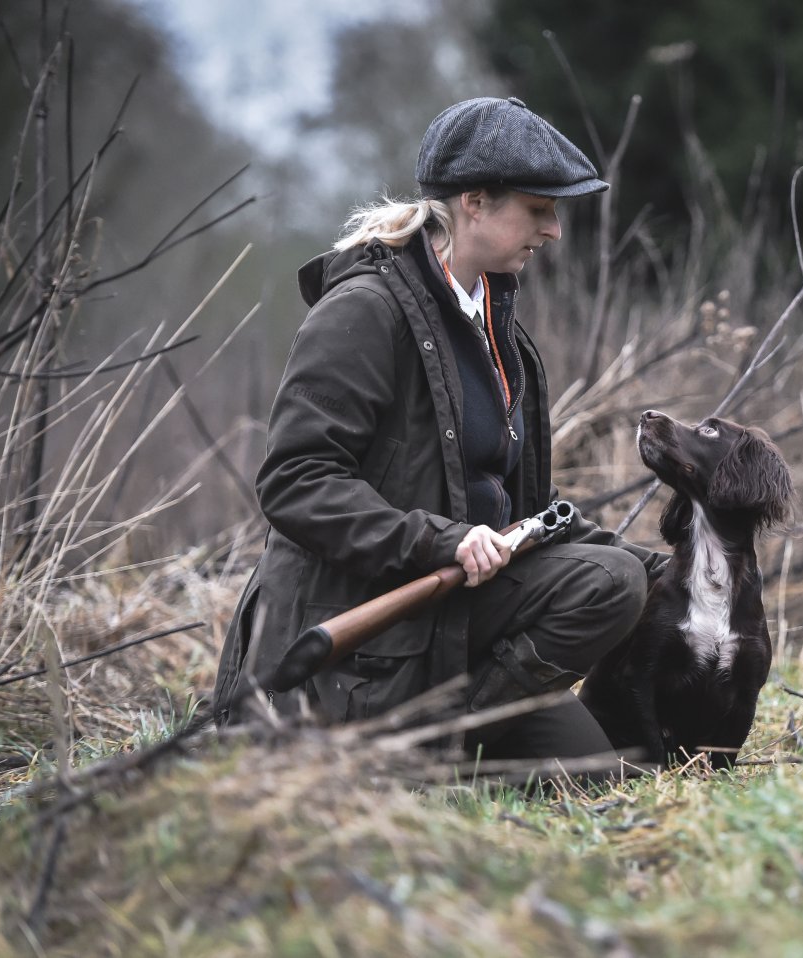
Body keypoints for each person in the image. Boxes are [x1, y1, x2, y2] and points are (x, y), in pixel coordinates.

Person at [213, 96, 664, 765]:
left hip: (450, 630)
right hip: (360, 641)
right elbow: (295, 484)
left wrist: (674, 571)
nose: (555, 230)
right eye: (540, 209)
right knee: (608, 583)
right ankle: (410, 755)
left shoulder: (494, 323)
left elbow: (517, 512)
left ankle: (431, 744)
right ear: (474, 202)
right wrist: (438, 540)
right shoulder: (363, 313)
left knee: (591, 768)